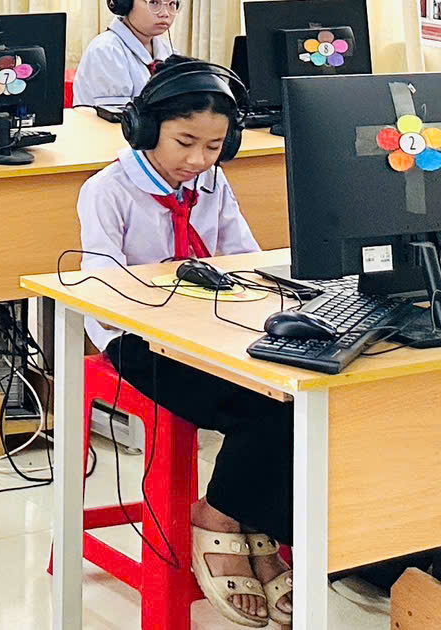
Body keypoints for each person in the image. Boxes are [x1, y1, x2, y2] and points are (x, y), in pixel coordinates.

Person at [77, 58, 287, 627]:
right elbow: (104, 291)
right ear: (146, 129)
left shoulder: (213, 185)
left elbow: (244, 258)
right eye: (185, 143)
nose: (197, 160)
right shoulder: (107, 191)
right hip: (138, 342)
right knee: (259, 409)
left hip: (212, 336)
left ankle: (256, 522)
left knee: (296, 394)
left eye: (214, 147)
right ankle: (218, 517)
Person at [74, 0, 182, 109]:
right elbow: (117, 118)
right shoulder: (107, 51)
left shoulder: (167, 50)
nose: (165, 13)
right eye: (154, 2)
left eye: (172, 3)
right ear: (124, 1)